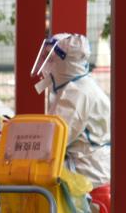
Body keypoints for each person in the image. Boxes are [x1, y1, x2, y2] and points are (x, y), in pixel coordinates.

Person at [38, 33, 110, 188]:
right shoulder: (76, 86)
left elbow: (54, 141)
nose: (46, 63)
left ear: (65, 63)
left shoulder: (76, 94)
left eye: (50, 58)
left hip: (87, 171)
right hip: (87, 164)